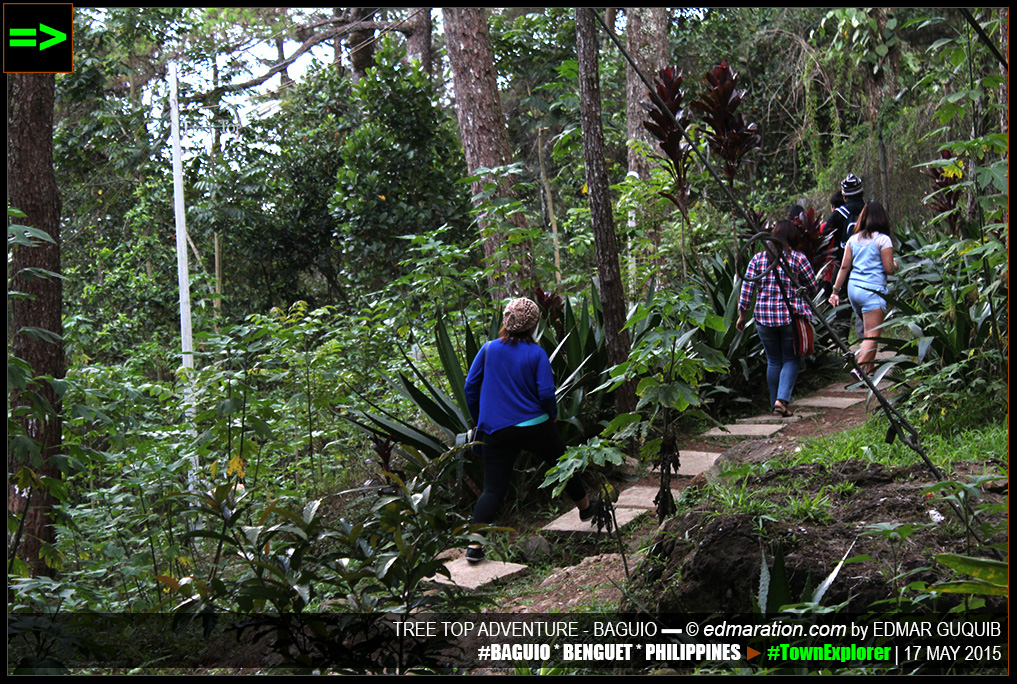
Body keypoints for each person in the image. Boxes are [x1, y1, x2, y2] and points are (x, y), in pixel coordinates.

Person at [463, 297, 593, 563]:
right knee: (562, 465)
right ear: (533, 326)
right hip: (535, 425)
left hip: (496, 431)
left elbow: (469, 387)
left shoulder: (487, 350)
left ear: (505, 321)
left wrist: (480, 421)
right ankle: (586, 509)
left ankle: (474, 547)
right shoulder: (537, 354)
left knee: (493, 490)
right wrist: (553, 415)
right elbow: (546, 392)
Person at [736, 220, 820, 417]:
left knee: (773, 360)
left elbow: (746, 290)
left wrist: (742, 316)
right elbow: (813, 286)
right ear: (793, 238)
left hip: (763, 318)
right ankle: (781, 401)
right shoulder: (798, 259)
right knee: (791, 359)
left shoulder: (758, 259)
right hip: (789, 318)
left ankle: (775, 404)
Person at [828, 201, 897, 376]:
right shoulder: (883, 240)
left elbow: (844, 267)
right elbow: (889, 268)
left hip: (854, 290)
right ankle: (858, 368)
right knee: (873, 335)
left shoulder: (853, 239)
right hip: (872, 291)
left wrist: (835, 291)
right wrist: (895, 264)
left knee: (868, 333)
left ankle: (870, 371)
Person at [824, 174, 865, 336]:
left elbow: (825, 236)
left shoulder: (839, 214)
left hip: (842, 266)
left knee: (841, 306)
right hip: (867, 266)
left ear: (844, 195)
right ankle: (867, 343)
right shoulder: (870, 210)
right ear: (861, 193)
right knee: (866, 306)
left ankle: (843, 345)